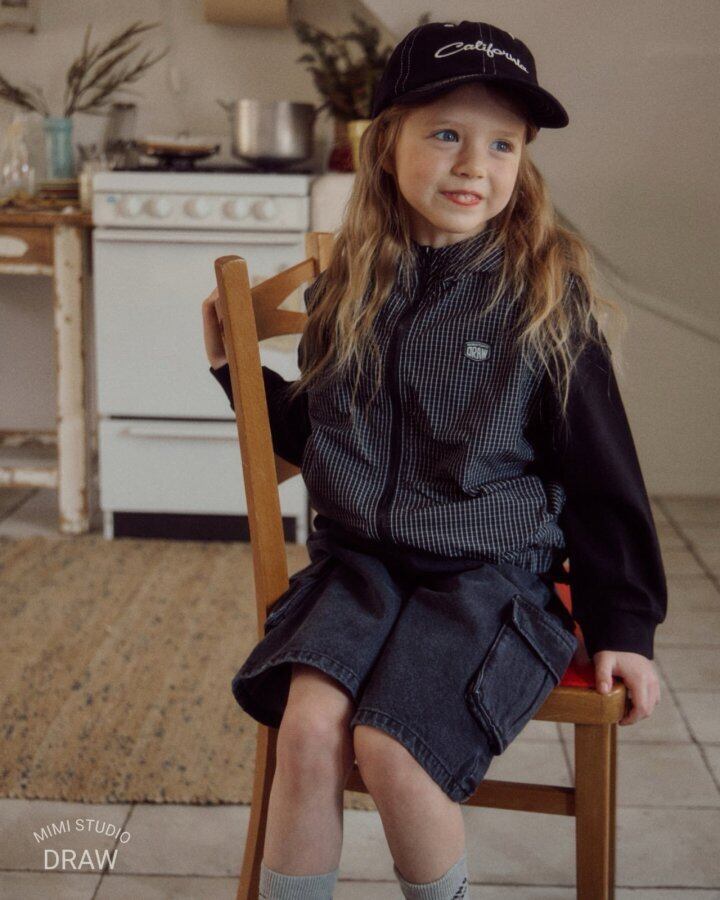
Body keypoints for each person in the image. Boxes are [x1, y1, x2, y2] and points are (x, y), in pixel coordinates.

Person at [201, 20, 666, 900]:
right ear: (386, 147)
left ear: (523, 160)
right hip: (360, 570)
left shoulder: (541, 299)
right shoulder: (350, 288)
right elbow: (328, 435)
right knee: (307, 734)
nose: (473, 164)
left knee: (393, 747)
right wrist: (238, 374)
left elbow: (604, 476)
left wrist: (625, 629)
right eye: (446, 133)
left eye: (502, 144)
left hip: (488, 578)